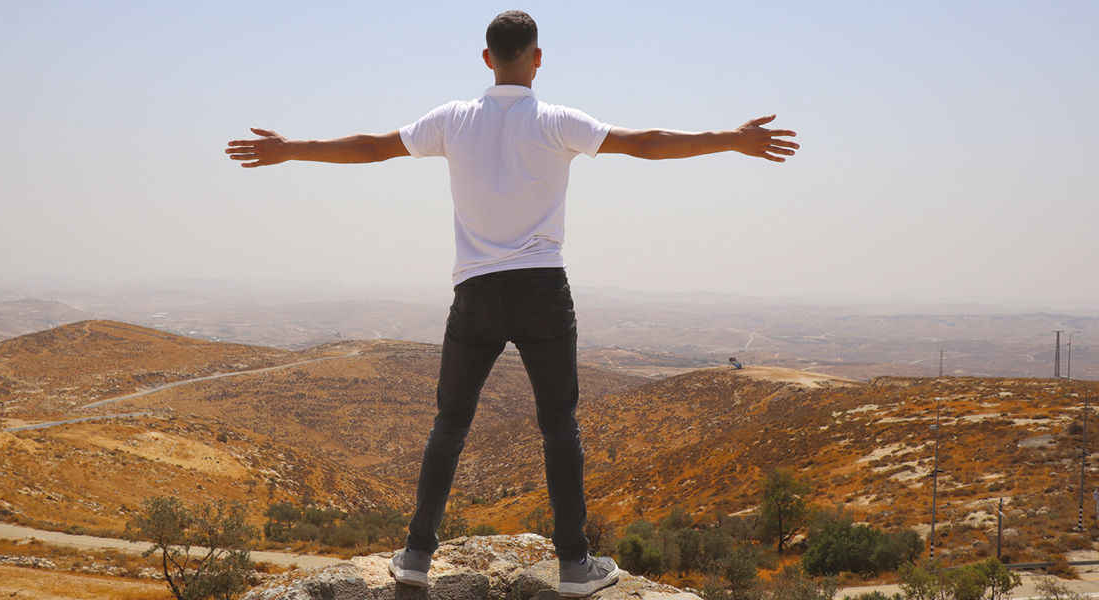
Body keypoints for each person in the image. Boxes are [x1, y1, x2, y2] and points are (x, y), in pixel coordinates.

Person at [226, 10, 797, 597]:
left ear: (486, 58)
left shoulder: (452, 120)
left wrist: (289, 149)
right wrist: (732, 139)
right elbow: (645, 144)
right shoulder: (555, 121)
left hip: (475, 293)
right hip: (543, 291)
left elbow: (372, 148)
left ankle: (417, 555)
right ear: (538, 58)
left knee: (449, 425)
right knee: (559, 428)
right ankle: (574, 565)